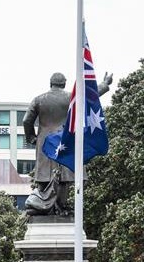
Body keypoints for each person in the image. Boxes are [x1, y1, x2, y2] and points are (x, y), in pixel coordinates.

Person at [23, 72, 112, 215]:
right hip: (65, 140)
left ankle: (46, 207)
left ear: (50, 83)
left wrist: (32, 138)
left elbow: (27, 120)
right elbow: (90, 97)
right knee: (64, 177)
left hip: (45, 143)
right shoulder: (71, 98)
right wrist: (105, 84)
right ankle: (60, 207)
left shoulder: (38, 100)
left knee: (44, 176)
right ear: (64, 83)